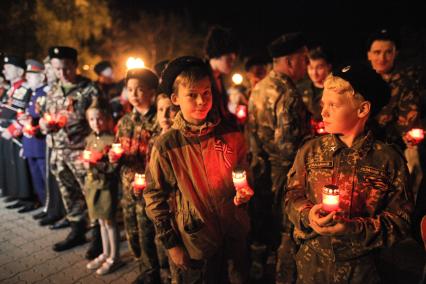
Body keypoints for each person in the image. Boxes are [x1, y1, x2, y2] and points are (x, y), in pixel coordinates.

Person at [285, 64, 413, 284]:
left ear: (362, 110)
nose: (323, 112)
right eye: (323, 103)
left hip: (364, 270)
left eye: (333, 105)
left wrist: (352, 228)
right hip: (313, 266)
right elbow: (291, 196)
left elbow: (400, 221)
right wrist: (308, 214)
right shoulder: (310, 151)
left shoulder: (388, 160)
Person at [144, 56, 253, 283]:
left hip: (233, 233)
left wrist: (244, 191)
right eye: (192, 95)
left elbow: (243, 171)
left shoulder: (230, 134)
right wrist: (172, 245)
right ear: (175, 99)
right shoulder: (167, 146)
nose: (201, 101)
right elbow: (154, 197)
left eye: (206, 93)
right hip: (197, 241)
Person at [247, 32, 310, 283]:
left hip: (260, 169)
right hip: (282, 176)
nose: (306, 65)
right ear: (290, 62)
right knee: (286, 232)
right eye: (303, 60)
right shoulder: (288, 94)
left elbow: (251, 133)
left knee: (261, 230)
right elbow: (288, 148)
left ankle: (257, 272)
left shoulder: (259, 88)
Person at [39, 46, 99, 252]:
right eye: (57, 69)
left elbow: (101, 120)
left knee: (92, 193)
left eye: (66, 68)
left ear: (74, 65)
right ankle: (77, 230)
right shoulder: (54, 89)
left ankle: (100, 235)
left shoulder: (90, 88)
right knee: (69, 193)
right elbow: (44, 115)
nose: (62, 74)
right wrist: (43, 125)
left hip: (81, 152)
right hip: (58, 151)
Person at [108, 67, 161, 284]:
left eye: (140, 89)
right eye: (130, 90)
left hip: (149, 189)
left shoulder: (158, 120)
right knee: (132, 232)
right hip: (128, 187)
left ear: (151, 92)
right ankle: (143, 267)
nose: (134, 95)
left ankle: (153, 273)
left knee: (148, 233)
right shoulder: (125, 121)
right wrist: (114, 156)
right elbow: (118, 146)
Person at [83, 97, 123, 275]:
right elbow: (86, 156)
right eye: (91, 119)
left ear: (107, 119)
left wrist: (97, 163)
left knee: (110, 221)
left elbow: (114, 166)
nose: (95, 123)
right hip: (93, 185)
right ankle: (105, 253)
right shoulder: (90, 138)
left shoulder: (111, 140)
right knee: (100, 221)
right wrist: (86, 163)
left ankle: (115, 257)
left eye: (99, 118)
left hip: (106, 186)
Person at [18, 59, 48, 213]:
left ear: (41, 77)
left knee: (45, 179)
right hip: (31, 143)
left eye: (31, 75)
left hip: (40, 144)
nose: (27, 78)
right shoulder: (32, 93)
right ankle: (44, 205)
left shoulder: (45, 93)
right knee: (36, 178)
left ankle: (50, 208)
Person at [204, 25, 239, 124]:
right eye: (229, 59)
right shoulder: (201, 77)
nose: (232, 64)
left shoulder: (219, 77)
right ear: (217, 54)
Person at [297, 46, 332, 134]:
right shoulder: (300, 89)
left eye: (319, 68)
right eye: (311, 68)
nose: (314, 73)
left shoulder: (335, 89)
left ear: (329, 67)